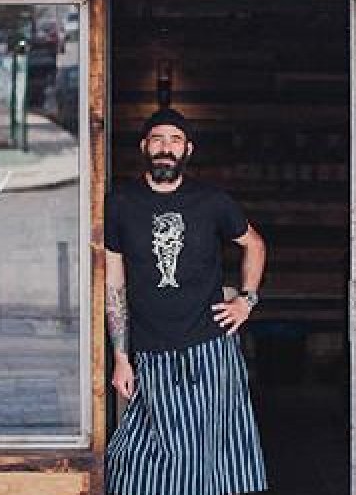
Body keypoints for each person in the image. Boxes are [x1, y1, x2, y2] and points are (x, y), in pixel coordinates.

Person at [104, 107, 269, 495]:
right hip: (150, 350)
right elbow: (115, 284)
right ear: (144, 146)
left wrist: (247, 300)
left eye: (175, 140)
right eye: (158, 139)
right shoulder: (121, 203)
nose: (166, 147)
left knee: (211, 456)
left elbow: (254, 244)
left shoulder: (211, 201)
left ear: (188, 150)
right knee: (139, 461)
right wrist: (121, 357)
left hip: (210, 347)